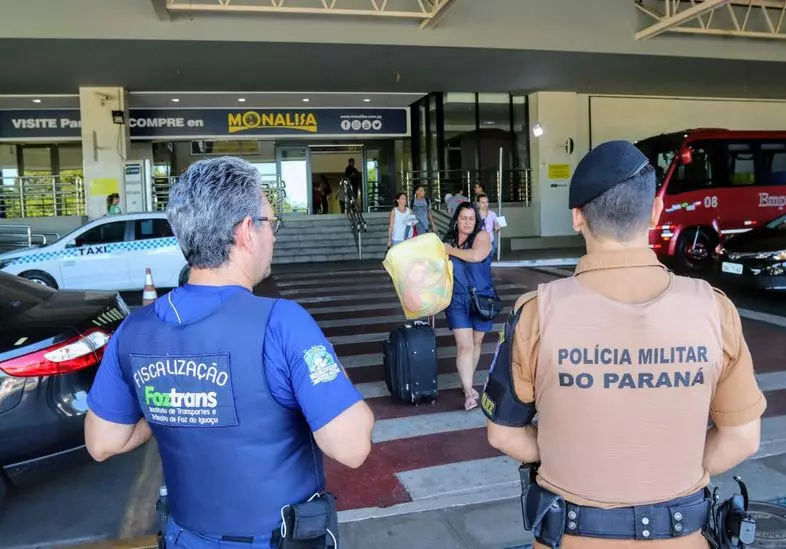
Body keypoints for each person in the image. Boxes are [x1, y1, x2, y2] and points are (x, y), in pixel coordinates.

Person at [481, 140, 766, 549]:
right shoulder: (713, 309)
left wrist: (568, 456)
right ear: (654, 211)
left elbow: (503, 434)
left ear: (577, 217)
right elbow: (742, 438)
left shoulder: (537, 313)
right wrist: (670, 466)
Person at [83, 156, 375, 548]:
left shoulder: (134, 330)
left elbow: (103, 441)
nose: (273, 236)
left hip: (184, 537)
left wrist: (172, 399)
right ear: (245, 232)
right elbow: (352, 446)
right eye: (270, 222)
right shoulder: (282, 323)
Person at [443, 202, 494, 411]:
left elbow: (476, 256)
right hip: (457, 299)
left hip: (481, 297)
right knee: (465, 346)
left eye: (471, 218)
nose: (467, 222)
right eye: (463, 218)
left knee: (476, 341)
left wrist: (451, 251)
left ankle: (467, 380)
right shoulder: (448, 241)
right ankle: (468, 391)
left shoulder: (482, 236)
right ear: (456, 219)